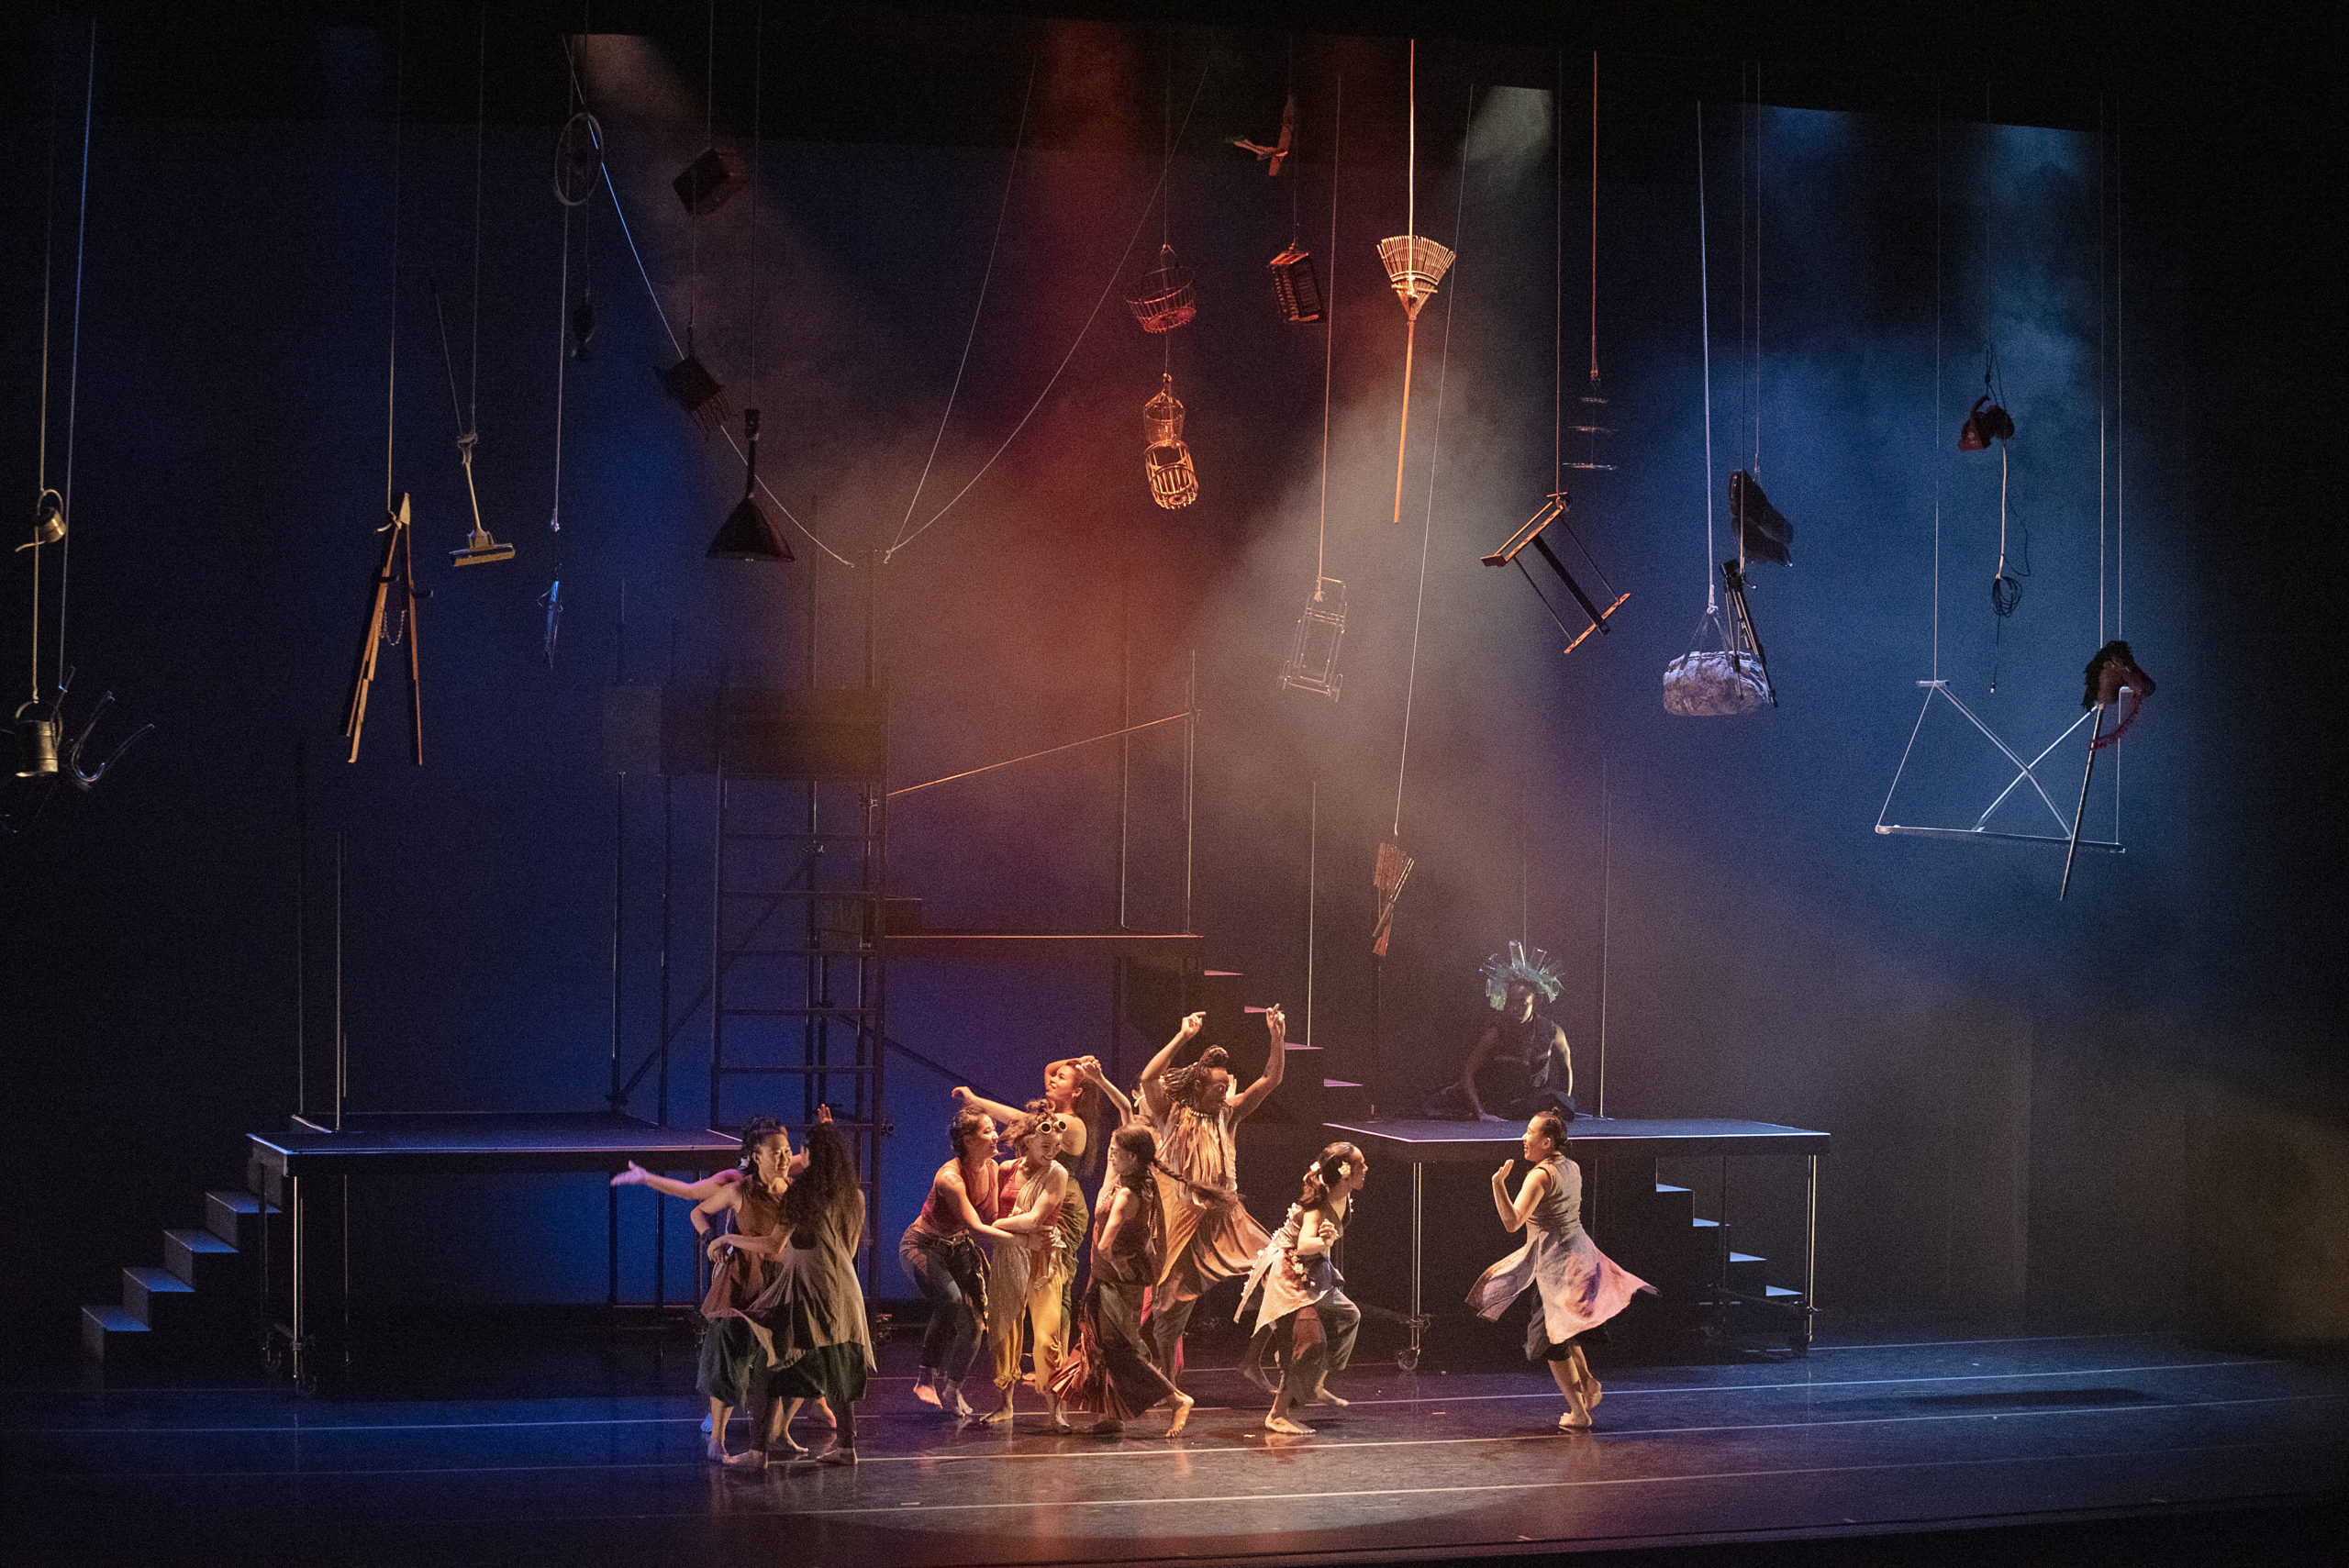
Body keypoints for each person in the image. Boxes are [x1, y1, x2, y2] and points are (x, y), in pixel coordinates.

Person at [1468, 1110, 1655, 1429]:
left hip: (1557, 1267)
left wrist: (1498, 1185)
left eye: (1530, 1133)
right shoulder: (1572, 1167)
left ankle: (1579, 1412)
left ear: (1547, 1141)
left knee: (1549, 1342)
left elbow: (1512, 1222)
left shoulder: (1540, 1175)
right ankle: (1588, 1385)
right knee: (1564, 1330)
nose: (1524, 1138)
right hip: (1579, 1257)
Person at [1137, 1005, 1286, 1380]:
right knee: (1169, 1307)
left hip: (1228, 1218)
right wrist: (1183, 1036)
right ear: (1199, 1086)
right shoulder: (1169, 1112)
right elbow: (1149, 1078)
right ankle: (1167, 1379)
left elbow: (1269, 1080)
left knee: (1280, 1276)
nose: (1226, 1090)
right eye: (1218, 1086)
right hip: (1186, 1221)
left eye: (1227, 1085)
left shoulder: (1228, 1113)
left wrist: (1277, 1039)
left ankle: (1251, 1362)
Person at [741, 1109, 872, 1467]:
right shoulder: (854, 1196)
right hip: (844, 1290)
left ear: (812, 1155)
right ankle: (846, 1447)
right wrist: (827, 1134)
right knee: (837, 1365)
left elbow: (773, 1246)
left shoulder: (802, 1194)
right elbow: (847, 1246)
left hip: (809, 1291)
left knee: (767, 1365)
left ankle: (757, 1453)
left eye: (803, 1151)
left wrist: (728, 1238)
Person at [1047, 1126, 1196, 1436]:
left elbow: (1105, 1244)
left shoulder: (1127, 1194)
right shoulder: (1131, 1180)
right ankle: (1112, 1415)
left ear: (1131, 1157)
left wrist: (1115, 1263)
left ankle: (1176, 1398)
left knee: (1119, 1349)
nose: (1110, 1154)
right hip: (1108, 1279)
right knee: (1100, 1348)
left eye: (1115, 1151)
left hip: (1115, 1282)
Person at [677, 1116, 791, 1466]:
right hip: (741, 1281)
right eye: (776, 1152)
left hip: (777, 1282)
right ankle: (718, 1438)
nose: (785, 1158)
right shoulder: (739, 1190)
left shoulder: (792, 1194)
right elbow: (698, 1211)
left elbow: (777, 1248)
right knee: (728, 1358)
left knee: (777, 1360)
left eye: (788, 1151)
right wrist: (712, 1239)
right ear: (756, 1156)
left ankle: (776, 1432)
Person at [1237, 1142, 1367, 1434]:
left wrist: (1328, 1245)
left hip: (1312, 1268)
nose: (1365, 1169)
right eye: (1360, 1164)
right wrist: (1326, 1241)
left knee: (1348, 1315)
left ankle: (1317, 1382)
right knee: (1309, 1340)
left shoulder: (1342, 1196)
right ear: (1345, 1173)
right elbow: (1305, 1244)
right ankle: (1278, 1414)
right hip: (1287, 1271)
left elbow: (1326, 1237)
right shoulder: (1317, 1206)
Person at [899, 1107, 1018, 1422]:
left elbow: (994, 1219)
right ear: (967, 1139)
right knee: (950, 1300)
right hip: (923, 1247)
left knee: (975, 1324)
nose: (996, 1136)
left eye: (994, 1130)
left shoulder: (992, 1169)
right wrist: (1022, 1240)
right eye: (987, 1131)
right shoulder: (950, 1178)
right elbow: (978, 1226)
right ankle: (925, 1379)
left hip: (958, 1249)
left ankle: (953, 1388)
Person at [978, 1104, 1075, 1428]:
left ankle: (1054, 1411)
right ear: (1028, 1142)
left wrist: (1003, 1225)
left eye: (1057, 1147)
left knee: (1048, 1336)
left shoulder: (1057, 1173)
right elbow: (991, 1217)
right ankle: (1006, 1404)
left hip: (1043, 1260)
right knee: (1005, 1329)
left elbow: (1034, 1218)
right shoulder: (1006, 1169)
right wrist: (1004, 1227)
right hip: (1010, 1255)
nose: (1052, 1153)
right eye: (1046, 1146)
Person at [1425, 943, 1576, 1122]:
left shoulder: (1552, 1032)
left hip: (1526, 1104)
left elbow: (1566, 1068)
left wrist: (1563, 1106)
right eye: (1512, 1002)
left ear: (1535, 1003)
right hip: (1495, 1103)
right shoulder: (1496, 1034)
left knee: (1551, 1101)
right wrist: (1481, 1113)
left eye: (1523, 1003)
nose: (1516, 1008)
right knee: (1431, 1106)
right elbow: (1468, 1073)